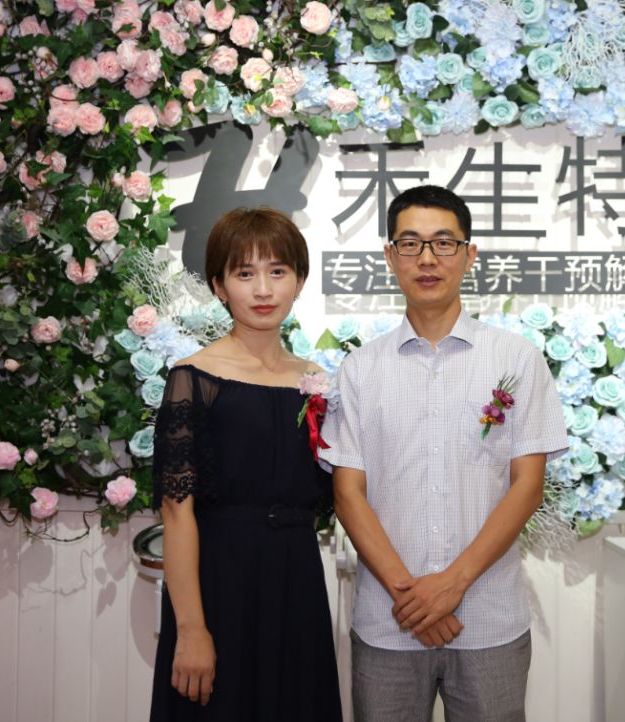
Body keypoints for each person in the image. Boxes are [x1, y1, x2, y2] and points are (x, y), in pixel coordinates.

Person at [319, 185, 568, 721]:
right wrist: (414, 599)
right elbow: (347, 494)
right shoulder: (360, 369)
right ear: (390, 257)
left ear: (469, 254)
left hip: (489, 620)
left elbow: (527, 487)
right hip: (388, 623)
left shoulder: (517, 359)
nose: (427, 259)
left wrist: (451, 586)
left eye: (443, 243)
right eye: (410, 244)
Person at [149, 207, 342, 721]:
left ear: (299, 281)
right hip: (220, 582)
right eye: (244, 273)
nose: (262, 289)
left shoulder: (316, 381)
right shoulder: (194, 377)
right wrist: (191, 629)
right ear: (219, 285)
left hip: (296, 582)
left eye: (277, 271)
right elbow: (176, 513)